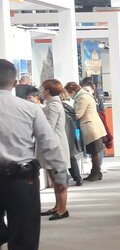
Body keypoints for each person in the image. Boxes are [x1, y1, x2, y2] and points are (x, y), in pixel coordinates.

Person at [0, 59, 67, 250]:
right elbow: (49, 143)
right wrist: (60, 175)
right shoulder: (30, 109)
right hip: (22, 181)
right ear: (15, 82)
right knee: (24, 236)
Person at [40, 80, 71, 221]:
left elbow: (49, 128)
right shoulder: (52, 104)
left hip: (55, 147)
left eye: (42, 89)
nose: (41, 91)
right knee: (54, 178)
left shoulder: (53, 106)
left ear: (48, 91)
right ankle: (58, 206)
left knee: (59, 179)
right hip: (53, 145)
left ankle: (63, 209)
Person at [70, 79, 107, 181]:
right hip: (92, 127)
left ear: (72, 92)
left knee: (94, 152)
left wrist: (69, 115)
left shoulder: (82, 97)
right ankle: (95, 172)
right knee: (93, 152)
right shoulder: (83, 96)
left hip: (91, 128)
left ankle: (96, 173)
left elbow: (78, 114)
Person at [59, 85, 83, 187]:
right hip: (71, 133)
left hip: (63, 133)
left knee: (62, 157)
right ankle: (78, 178)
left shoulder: (60, 107)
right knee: (71, 157)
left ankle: (65, 179)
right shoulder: (71, 106)